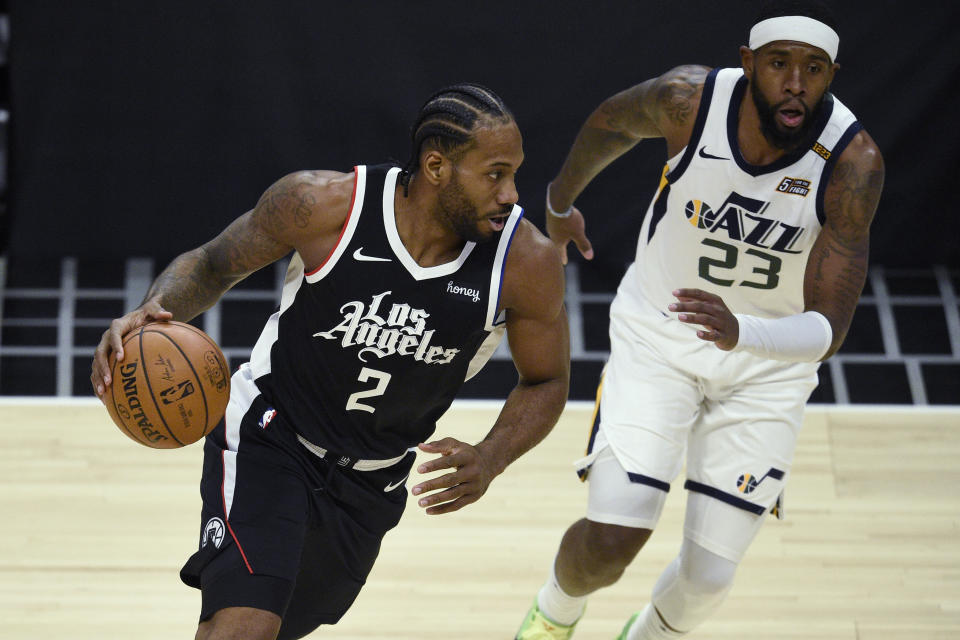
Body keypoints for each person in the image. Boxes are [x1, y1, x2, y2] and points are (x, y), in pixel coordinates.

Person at [90, 83, 570, 640]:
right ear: (436, 165)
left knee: (286, 625)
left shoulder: (525, 261)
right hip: (272, 437)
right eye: (495, 173)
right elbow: (213, 263)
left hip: (372, 481)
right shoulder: (322, 205)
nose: (511, 193)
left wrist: (491, 456)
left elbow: (548, 379)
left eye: (515, 173)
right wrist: (153, 310)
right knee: (242, 626)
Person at [515, 2, 884, 639]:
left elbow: (829, 330)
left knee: (709, 578)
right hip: (659, 336)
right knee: (610, 541)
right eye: (779, 65)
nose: (795, 82)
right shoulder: (689, 100)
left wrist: (745, 333)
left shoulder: (853, 164)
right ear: (747, 65)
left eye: (813, 69)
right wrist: (558, 199)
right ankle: (553, 615)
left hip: (767, 367)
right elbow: (610, 124)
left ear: (832, 76)